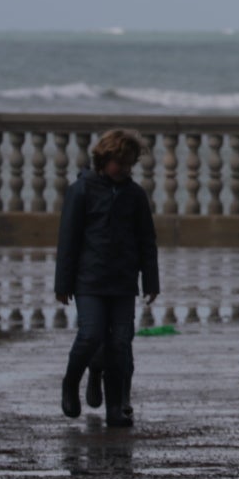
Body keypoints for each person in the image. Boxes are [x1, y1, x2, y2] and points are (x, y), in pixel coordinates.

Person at [54, 127, 160, 429]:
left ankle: (117, 405)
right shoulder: (82, 190)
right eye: (120, 164)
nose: (125, 170)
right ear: (104, 159)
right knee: (91, 335)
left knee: (121, 343)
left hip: (124, 281)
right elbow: (68, 240)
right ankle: (71, 381)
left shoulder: (135, 195)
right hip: (89, 281)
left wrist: (151, 281)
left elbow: (146, 241)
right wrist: (63, 284)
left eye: (130, 165)